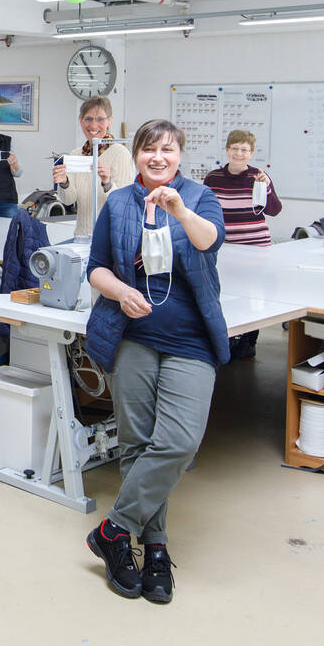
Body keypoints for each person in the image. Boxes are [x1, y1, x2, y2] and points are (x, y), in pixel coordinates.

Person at [82, 119, 227, 605]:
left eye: (167, 150)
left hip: (191, 340)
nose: (158, 157)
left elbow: (210, 240)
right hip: (134, 337)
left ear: (180, 155)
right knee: (136, 444)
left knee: (179, 442)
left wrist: (179, 209)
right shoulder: (119, 202)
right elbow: (96, 268)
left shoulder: (199, 197)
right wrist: (121, 292)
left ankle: (113, 529)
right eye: (149, 149)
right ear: (137, 155)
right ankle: (153, 546)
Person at [201, 129, 284, 358]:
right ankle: (229, 337)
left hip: (255, 247)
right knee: (227, 293)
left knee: (252, 295)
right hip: (225, 247)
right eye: (235, 148)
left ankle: (249, 340)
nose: (239, 153)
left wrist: (266, 187)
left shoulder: (257, 176)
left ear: (251, 153)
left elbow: (274, 210)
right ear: (227, 150)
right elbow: (205, 208)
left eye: (244, 150)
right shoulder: (213, 178)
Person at [52, 96, 134, 230]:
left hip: (110, 237)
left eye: (100, 119)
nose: (94, 125)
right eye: (88, 119)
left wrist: (107, 183)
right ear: (80, 120)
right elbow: (68, 200)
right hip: (82, 235)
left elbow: (125, 205)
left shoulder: (121, 154)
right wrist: (64, 183)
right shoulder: (75, 154)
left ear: (110, 121)